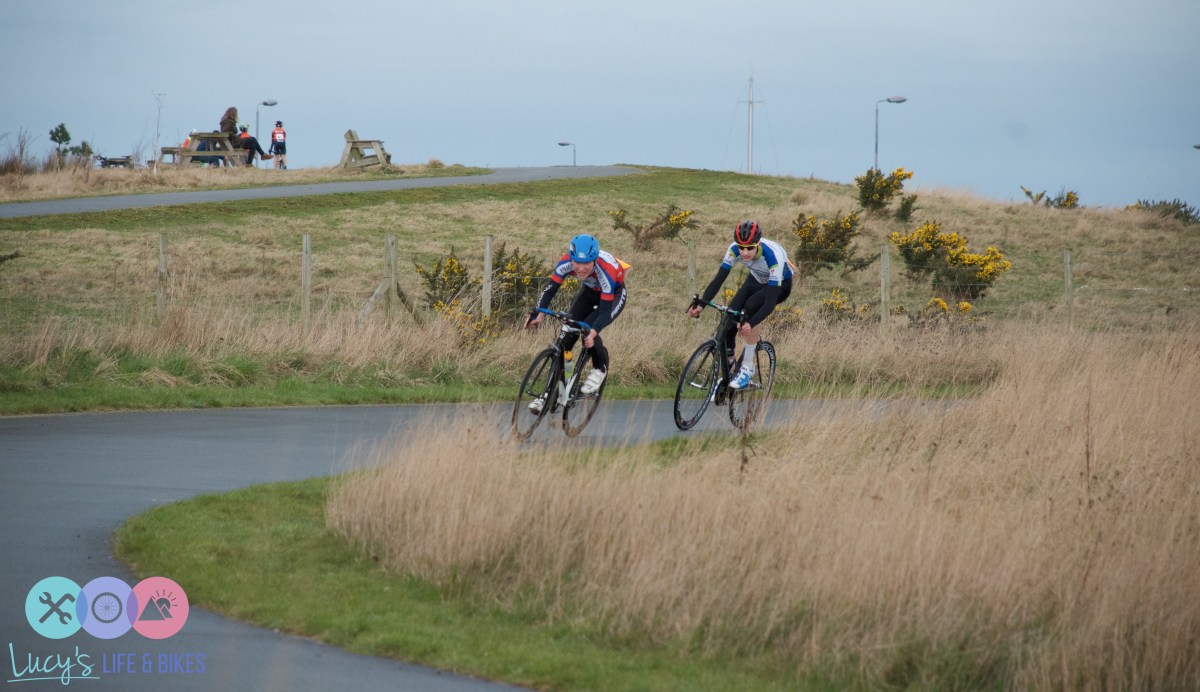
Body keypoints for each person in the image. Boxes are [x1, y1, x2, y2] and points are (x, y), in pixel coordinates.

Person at [524, 234, 629, 411]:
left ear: (594, 260)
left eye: (586, 263)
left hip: (613, 295)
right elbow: (550, 289)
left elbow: (603, 312)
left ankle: (599, 368)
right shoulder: (565, 263)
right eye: (577, 263)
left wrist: (594, 332)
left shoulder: (606, 271)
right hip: (589, 290)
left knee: (588, 329)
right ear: (571, 259)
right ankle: (550, 395)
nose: (580, 269)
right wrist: (539, 313)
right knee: (565, 341)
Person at [687, 220, 793, 390]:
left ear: (758, 244)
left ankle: (748, 367)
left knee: (750, 308)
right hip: (756, 279)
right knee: (729, 319)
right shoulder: (734, 249)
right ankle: (730, 371)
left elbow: (769, 303)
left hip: (779, 285)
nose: (744, 252)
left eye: (749, 248)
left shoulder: (773, 257)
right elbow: (719, 279)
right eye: (741, 247)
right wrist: (702, 304)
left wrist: (750, 323)